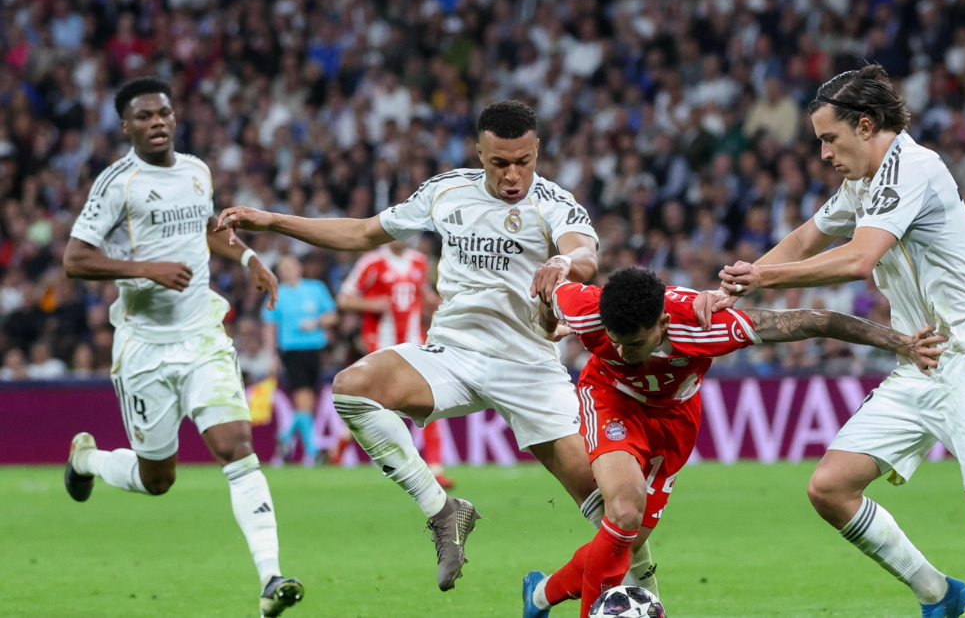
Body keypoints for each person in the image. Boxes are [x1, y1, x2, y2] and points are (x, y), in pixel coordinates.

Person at [698, 65, 965, 618]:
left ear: (866, 126)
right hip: (920, 361)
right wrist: (736, 286)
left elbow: (858, 258)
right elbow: (806, 237)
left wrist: (762, 281)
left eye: (830, 138)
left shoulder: (913, 168)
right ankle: (939, 594)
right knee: (830, 489)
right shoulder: (862, 182)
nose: (823, 153)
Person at [215, 100, 660, 593]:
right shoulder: (446, 192)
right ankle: (444, 512)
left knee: (614, 511)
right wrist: (273, 221)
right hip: (453, 355)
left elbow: (585, 251)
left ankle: (646, 600)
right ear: (479, 153)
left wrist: (566, 264)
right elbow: (362, 232)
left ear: (536, 151)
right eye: (499, 163)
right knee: (352, 388)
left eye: (523, 162)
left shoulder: (554, 202)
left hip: (529, 367)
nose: (513, 175)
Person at [522, 267, 947, 618]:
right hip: (612, 401)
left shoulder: (707, 327)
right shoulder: (587, 309)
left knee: (627, 539)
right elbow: (549, 292)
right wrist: (548, 321)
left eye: (633, 343)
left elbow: (821, 322)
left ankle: (540, 595)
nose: (620, 348)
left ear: (663, 325)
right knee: (624, 508)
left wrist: (903, 343)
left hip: (674, 419)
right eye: (615, 339)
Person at [61, 77, 304, 617]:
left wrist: (248, 260)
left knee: (236, 444)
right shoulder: (116, 184)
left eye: (164, 113)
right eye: (144, 116)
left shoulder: (197, 171)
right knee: (158, 479)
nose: (157, 123)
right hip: (144, 348)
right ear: (126, 127)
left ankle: (271, 578)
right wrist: (144, 269)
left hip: (201, 336)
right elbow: (75, 259)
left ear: (175, 117)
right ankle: (90, 459)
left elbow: (209, 229)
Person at [337, 238, 454, 488]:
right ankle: (339, 449)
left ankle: (435, 466)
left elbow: (422, 293)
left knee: (433, 399)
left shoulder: (419, 261)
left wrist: (437, 302)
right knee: (375, 405)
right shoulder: (371, 262)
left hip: (415, 343)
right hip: (380, 344)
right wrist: (370, 304)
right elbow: (344, 299)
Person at [262, 254, 337, 466]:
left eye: (291, 266)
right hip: (292, 351)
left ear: (299, 268)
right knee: (303, 399)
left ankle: (285, 438)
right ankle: (312, 452)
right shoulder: (276, 293)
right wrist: (272, 355)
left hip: (316, 349)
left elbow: (332, 315)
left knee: (307, 403)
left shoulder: (316, 288)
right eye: (283, 267)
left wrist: (316, 322)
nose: (288, 270)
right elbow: (269, 326)